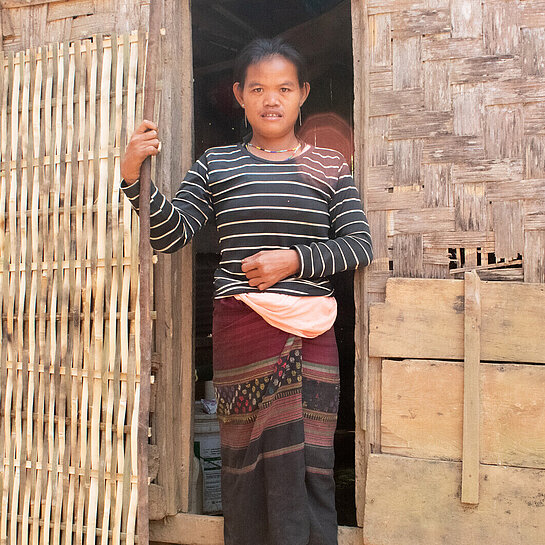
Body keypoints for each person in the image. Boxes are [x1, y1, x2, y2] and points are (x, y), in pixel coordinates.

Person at [120, 37, 372, 545]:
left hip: (311, 333)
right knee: (247, 458)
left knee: (308, 458)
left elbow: (358, 246)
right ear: (239, 94)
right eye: (257, 88)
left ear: (303, 93)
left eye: (283, 88)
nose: (271, 99)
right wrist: (132, 176)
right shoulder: (217, 164)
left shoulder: (330, 166)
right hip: (241, 332)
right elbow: (172, 235)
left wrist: (293, 259)